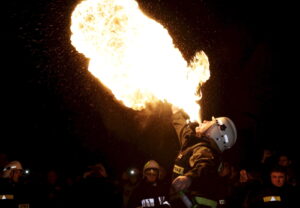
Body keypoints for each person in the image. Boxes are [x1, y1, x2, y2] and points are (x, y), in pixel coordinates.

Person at [170, 109, 237, 208]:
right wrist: (176, 111)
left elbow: (204, 166)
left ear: (216, 132)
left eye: (210, 122)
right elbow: (182, 127)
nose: (205, 121)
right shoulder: (192, 142)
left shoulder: (204, 150)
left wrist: (189, 178)